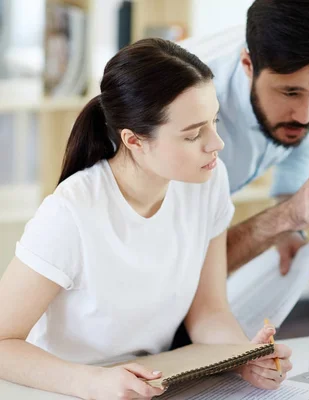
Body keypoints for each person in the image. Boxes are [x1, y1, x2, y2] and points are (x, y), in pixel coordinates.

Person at [0, 38, 291, 399]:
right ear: (134, 141)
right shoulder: (71, 212)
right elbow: (2, 342)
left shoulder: (207, 181)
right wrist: (92, 382)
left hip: (154, 386)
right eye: (193, 134)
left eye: (214, 121)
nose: (216, 143)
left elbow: (209, 312)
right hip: (66, 391)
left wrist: (243, 356)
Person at [180, 0, 309, 275]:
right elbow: (183, 263)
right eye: (290, 93)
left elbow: (300, 149)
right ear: (248, 64)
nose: (306, 116)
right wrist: (286, 217)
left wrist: (289, 232)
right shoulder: (183, 108)